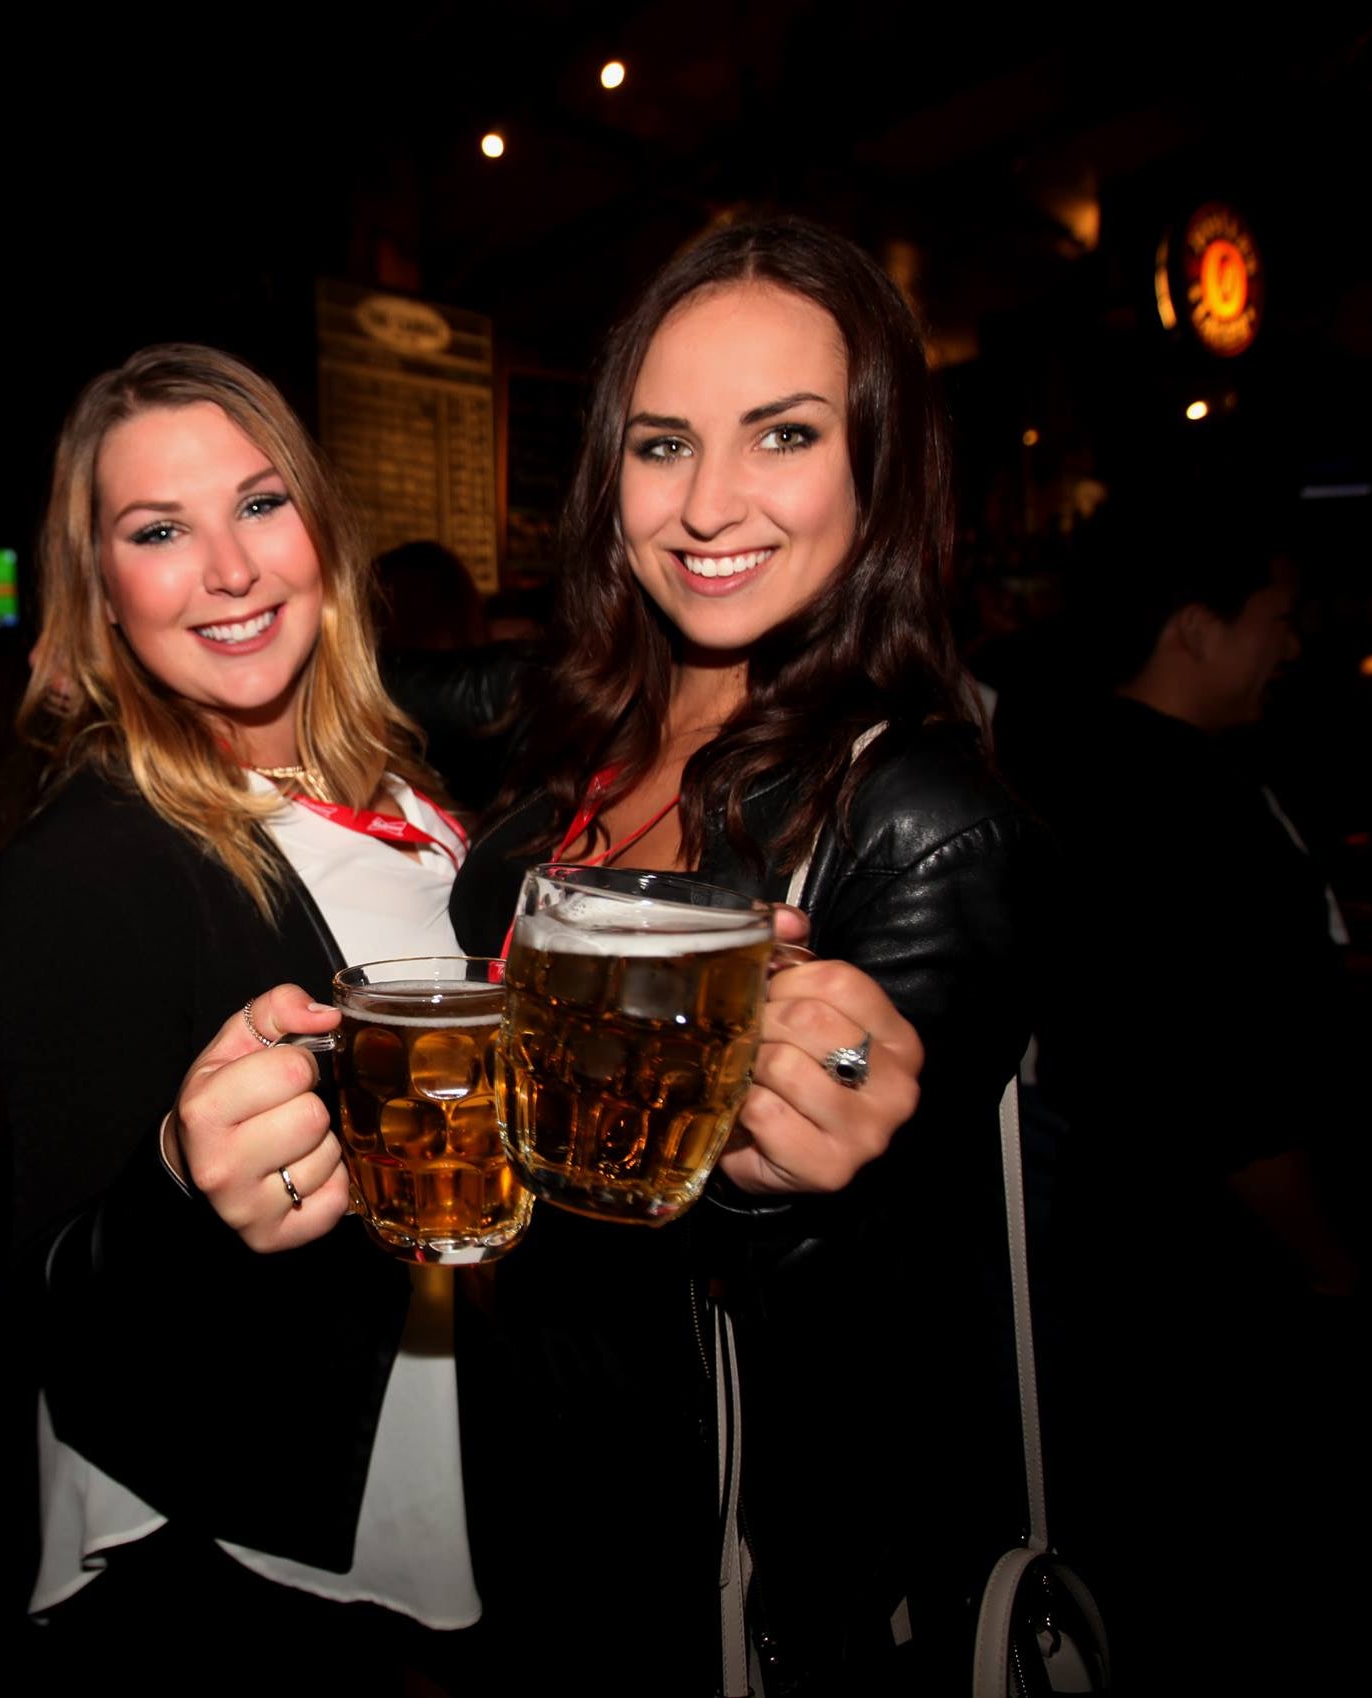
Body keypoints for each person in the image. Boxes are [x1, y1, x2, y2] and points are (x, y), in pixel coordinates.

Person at [444, 216, 1050, 1694]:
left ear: (879, 467)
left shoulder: (911, 811)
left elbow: (880, 1319)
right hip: (524, 1491)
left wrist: (803, 1173)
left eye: (778, 434)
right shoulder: (576, 735)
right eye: (660, 446)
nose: (705, 503)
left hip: (732, 1572)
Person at [0, 345, 481, 1684]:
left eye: (260, 504)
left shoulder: (407, 791)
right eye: (158, 530)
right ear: (97, 593)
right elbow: (48, 1300)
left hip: (449, 1456)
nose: (231, 568)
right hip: (253, 1548)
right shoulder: (91, 862)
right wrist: (177, 1185)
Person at [1004, 490, 1361, 1692]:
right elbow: (1232, 1090)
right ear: (1192, 626)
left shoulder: (1065, 762)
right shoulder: (1177, 805)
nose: (1294, 642)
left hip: (1103, 1287)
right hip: (1201, 1298)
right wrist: (1331, 1264)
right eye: (1276, 614)